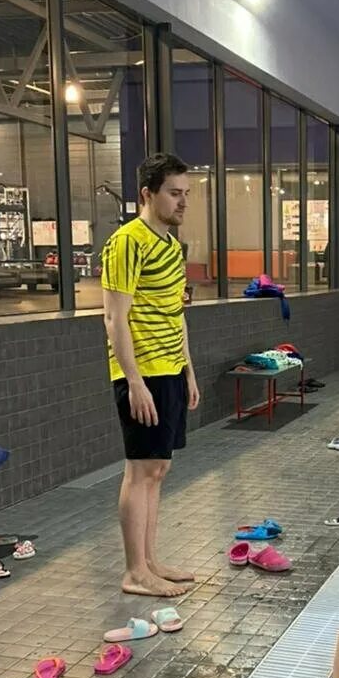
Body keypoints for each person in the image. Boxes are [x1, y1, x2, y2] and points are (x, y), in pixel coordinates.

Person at [101, 153, 200, 597]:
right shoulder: (127, 242)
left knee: (158, 469)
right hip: (142, 374)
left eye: (186, 194)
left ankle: (150, 559)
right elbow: (113, 319)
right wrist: (134, 380)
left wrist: (189, 371)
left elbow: (175, 313)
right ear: (148, 194)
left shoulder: (171, 246)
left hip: (171, 370)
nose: (182, 203)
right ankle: (133, 571)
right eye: (174, 194)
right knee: (140, 470)